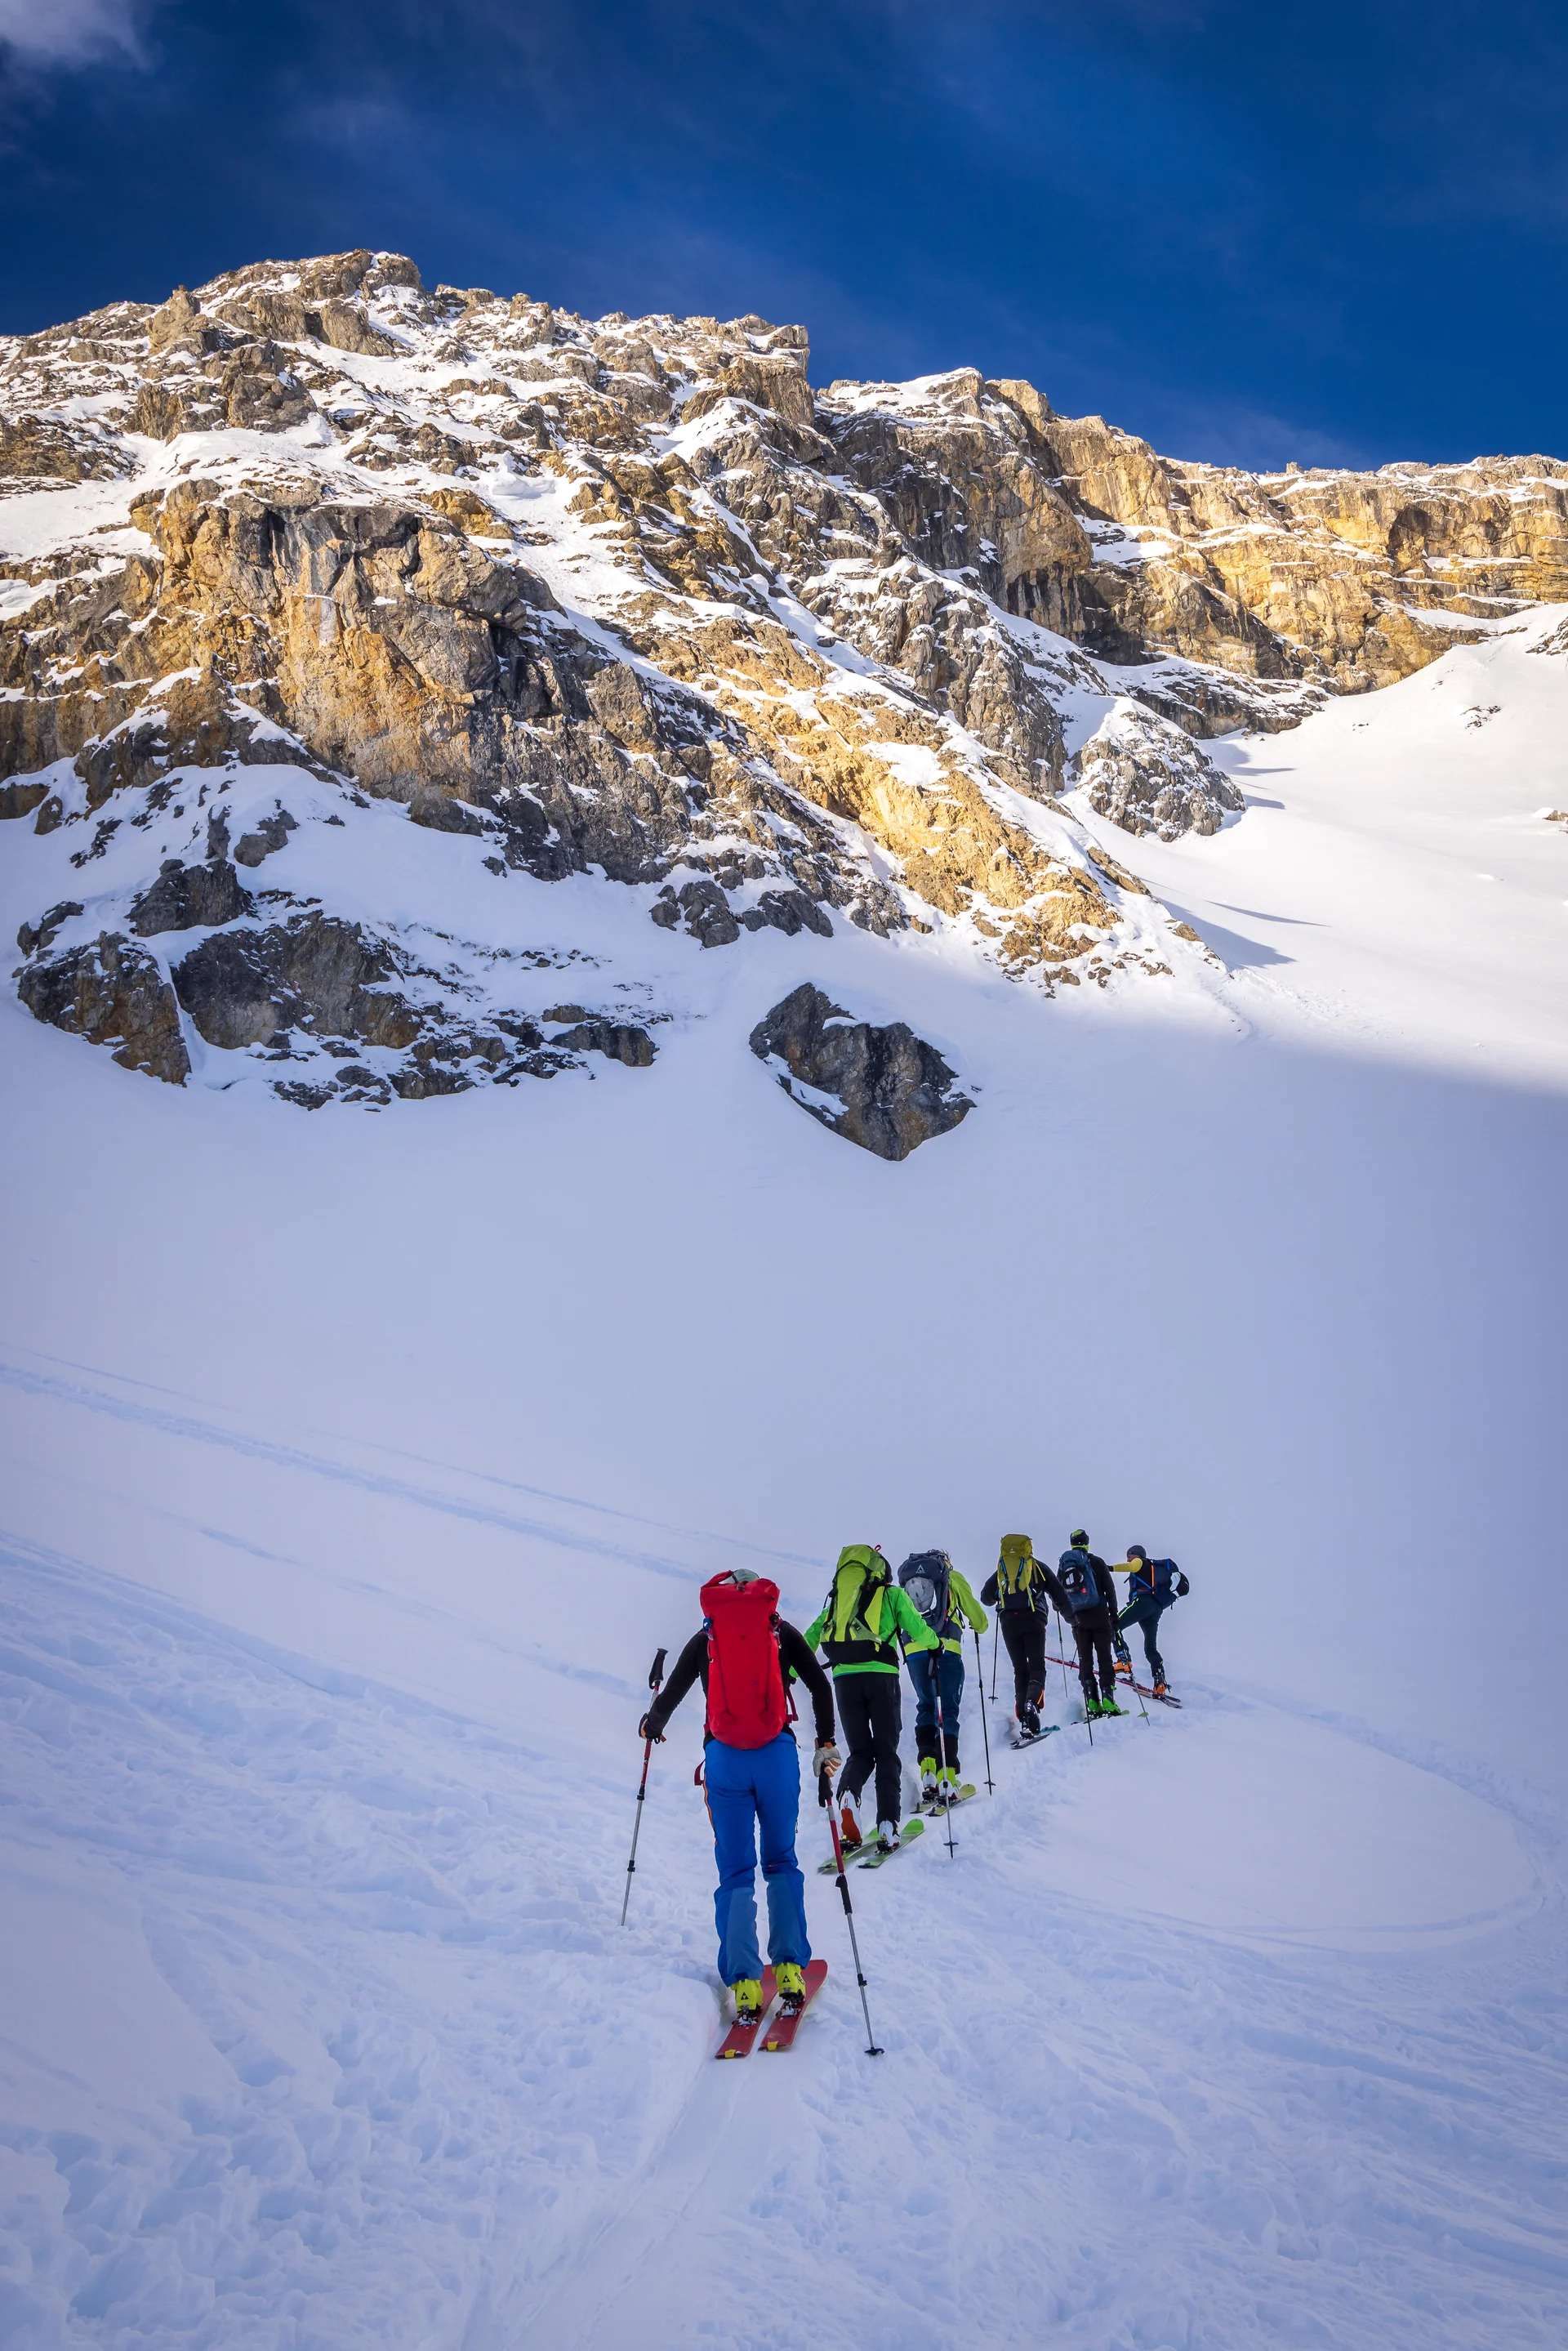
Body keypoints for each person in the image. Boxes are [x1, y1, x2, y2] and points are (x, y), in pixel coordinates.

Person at [640, 1567, 839, 2026]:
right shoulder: (779, 1631)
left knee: (735, 1871)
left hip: (725, 1761)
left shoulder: (706, 1638)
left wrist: (653, 1724)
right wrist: (824, 1743)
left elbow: (672, 1693)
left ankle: (745, 1984)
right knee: (781, 1861)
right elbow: (819, 1686)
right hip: (776, 1756)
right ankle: (790, 1971)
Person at [804, 1544, 939, 1854]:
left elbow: (809, 1639)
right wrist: (935, 1645)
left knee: (861, 1752)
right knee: (886, 1751)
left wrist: (792, 1671)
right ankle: (888, 1827)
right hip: (882, 1678)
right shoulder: (891, 1596)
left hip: (843, 1680)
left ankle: (849, 1795)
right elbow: (919, 1629)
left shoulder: (839, 1603)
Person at [894, 1550, 989, 1803]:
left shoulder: (908, 1583)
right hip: (947, 1649)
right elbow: (978, 1618)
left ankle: (927, 1769)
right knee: (948, 1711)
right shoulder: (953, 1578)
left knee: (926, 1706)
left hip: (914, 1651)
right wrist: (979, 1626)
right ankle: (948, 1775)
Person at [980, 1532, 1060, 1736]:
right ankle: (1032, 1703)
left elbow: (985, 1598)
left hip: (1009, 1622)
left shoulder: (1002, 1571)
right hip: (1034, 1620)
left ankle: (1024, 1720)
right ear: (1028, 1548)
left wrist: (1002, 1598)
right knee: (1036, 1667)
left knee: (1020, 1669)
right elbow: (1060, 1595)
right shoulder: (1038, 1568)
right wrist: (1071, 1618)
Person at [1056, 1530, 1125, 1719]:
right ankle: (1108, 1698)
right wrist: (1114, 1616)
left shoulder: (1065, 1564)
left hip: (1078, 1619)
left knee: (1085, 1660)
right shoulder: (1096, 1562)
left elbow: (1058, 1594)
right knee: (1104, 1657)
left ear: (1072, 1544)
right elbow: (1110, 1591)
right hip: (1100, 1616)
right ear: (1087, 1543)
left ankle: (1091, 1700)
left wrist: (1065, 1613)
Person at [1111, 1545, 1190, 1696]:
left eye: (1130, 1556)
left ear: (1137, 1555)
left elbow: (1131, 1566)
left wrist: (1108, 1568)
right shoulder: (1152, 1568)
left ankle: (1123, 1659)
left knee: (1113, 1624)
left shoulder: (1140, 1563)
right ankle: (1160, 1683)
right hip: (1156, 1609)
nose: (1128, 1559)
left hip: (1143, 1602)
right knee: (1150, 1648)